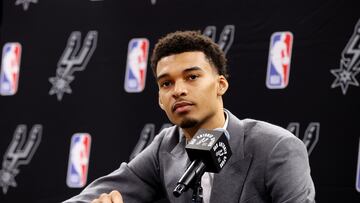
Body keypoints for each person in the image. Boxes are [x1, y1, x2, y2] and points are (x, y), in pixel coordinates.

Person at [63, 31, 315, 203]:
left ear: (221, 84)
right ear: (159, 99)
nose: (178, 90)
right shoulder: (167, 145)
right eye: (166, 83)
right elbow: (99, 194)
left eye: (192, 77)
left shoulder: (276, 147)